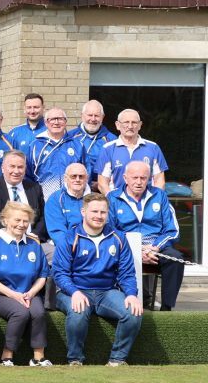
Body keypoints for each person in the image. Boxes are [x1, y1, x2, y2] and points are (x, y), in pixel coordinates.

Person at [51, 193, 142, 366]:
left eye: (103, 212)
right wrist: (74, 292)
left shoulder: (118, 238)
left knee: (133, 313)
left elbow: (127, 273)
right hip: (73, 290)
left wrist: (131, 294)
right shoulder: (69, 238)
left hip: (106, 292)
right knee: (78, 312)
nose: (99, 216)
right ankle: (75, 359)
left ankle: (117, 359)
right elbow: (60, 273)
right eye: (94, 211)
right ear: (83, 212)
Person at [108, 161, 183, 310]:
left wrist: (155, 247)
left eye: (143, 178)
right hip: (125, 247)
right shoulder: (112, 198)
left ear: (149, 178)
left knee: (176, 259)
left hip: (155, 246)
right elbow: (110, 230)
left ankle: (167, 309)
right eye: (135, 177)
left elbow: (173, 230)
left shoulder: (159, 195)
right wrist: (136, 249)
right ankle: (122, 304)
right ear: (125, 178)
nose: (139, 182)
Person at [0, 201, 51, 367]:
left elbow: (42, 275)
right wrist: (14, 295)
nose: (21, 225)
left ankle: (38, 358)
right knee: (20, 313)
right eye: (17, 220)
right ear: (5, 220)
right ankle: (6, 357)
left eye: (25, 221)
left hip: (29, 292)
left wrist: (31, 293)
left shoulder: (34, 244)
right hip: (1, 294)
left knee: (38, 313)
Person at [0, 150, 46, 240]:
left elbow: (43, 217)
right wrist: (10, 236)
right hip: (2, 242)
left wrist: (34, 235)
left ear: (25, 169)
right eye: (12, 166)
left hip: (33, 240)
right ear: (2, 168)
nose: (16, 171)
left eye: (20, 167)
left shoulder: (35, 188)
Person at [97, 109, 168, 192]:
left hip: (147, 201)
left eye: (134, 122)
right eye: (126, 122)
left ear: (140, 125)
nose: (130, 126)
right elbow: (102, 183)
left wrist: (154, 200)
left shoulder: (153, 148)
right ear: (118, 125)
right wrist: (113, 201)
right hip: (117, 201)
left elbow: (159, 180)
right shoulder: (107, 149)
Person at [27, 108, 85, 198]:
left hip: (73, 199)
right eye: (52, 119)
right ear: (46, 122)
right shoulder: (35, 146)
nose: (56, 122)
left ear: (65, 122)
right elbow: (28, 176)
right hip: (44, 200)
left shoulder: (78, 145)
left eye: (60, 119)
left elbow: (86, 173)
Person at [68, 100, 115, 185]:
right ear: (82, 116)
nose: (93, 119)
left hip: (102, 189)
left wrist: (102, 183)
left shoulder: (112, 140)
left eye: (97, 116)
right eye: (90, 115)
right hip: (76, 186)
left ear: (102, 117)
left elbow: (117, 167)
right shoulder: (70, 137)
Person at [44, 163, 88, 239]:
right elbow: (57, 232)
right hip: (67, 246)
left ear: (87, 178)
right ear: (65, 178)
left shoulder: (95, 199)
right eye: (73, 176)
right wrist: (75, 247)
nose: (77, 180)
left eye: (81, 177)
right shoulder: (55, 199)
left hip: (93, 244)